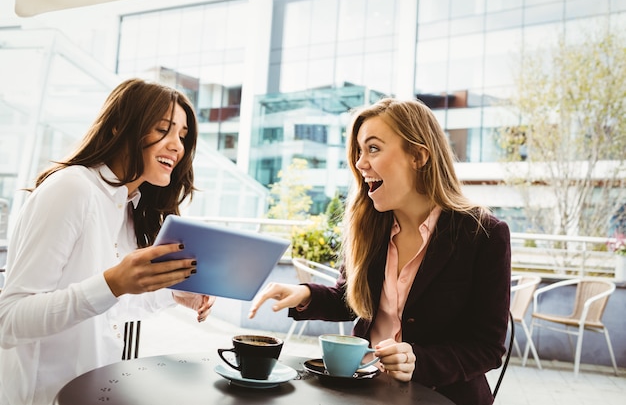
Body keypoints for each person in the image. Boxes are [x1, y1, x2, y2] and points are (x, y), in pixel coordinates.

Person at [249, 97, 511, 405]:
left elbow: (487, 348)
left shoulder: (483, 234)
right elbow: (352, 299)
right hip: (367, 391)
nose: (360, 163)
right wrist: (306, 294)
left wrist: (419, 362)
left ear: (418, 155)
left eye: (373, 148)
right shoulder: (369, 226)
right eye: (359, 151)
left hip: (442, 398)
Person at [0, 78, 216, 405]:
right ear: (119, 128)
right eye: (163, 129)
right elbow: (10, 320)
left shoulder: (128, 206)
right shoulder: (72, 189)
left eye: (182, 136)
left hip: (93, 393)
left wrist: (172, 293)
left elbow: (104, 308)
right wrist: (112, 283)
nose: (177, 146)